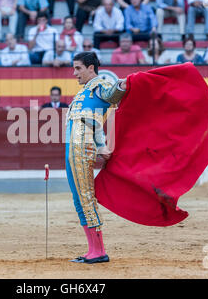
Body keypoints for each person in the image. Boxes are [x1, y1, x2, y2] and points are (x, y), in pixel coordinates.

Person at [66, 51, 127, 264]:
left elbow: (112, 95)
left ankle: (99, 250)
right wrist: (101, 146)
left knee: (85, 196)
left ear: (91, 68)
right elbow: (96, 123)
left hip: (81, 146)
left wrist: (121, 86)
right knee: (78, 197)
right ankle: (93, 249)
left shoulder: (99, 86)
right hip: (74, 147)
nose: (74, 73)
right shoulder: (83, 93)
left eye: (78, 68)